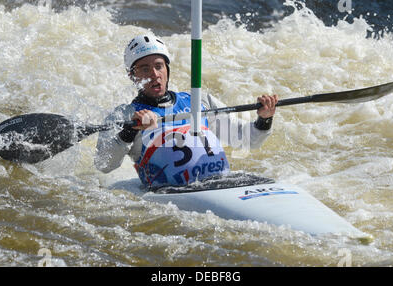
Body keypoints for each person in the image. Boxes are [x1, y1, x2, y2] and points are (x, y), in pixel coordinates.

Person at [95, 34, 278, 188]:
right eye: (145, 68)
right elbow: (103, 164)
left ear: (167, 69)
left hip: (221, 184)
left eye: (159, 66)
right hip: (172, 192)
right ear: (132, 75)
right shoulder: (125, 115)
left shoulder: (199, 101)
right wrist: (130, 131)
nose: (154, 74)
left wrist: (264, 119)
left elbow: (248, 140)